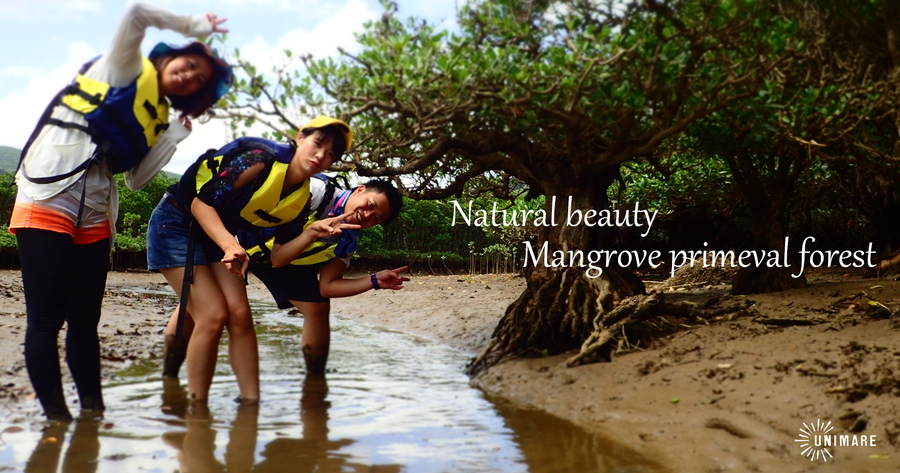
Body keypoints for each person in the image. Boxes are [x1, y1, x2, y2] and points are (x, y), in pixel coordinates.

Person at [10, 1, 232, 422]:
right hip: (49, 188)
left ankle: (92, 414)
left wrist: (174, 137)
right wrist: (195, 25)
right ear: (174, 55)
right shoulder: (124, 64)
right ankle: (57, 417)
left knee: (85, 319)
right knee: (46, 317)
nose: (188, 76)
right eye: (189, 65)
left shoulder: (160, 115)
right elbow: (135, 13)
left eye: (197, 81)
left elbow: (136, 180)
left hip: (96, 207)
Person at [146, 116, 356, 405]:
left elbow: (278, 257)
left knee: (242, 316)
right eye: (318, 143)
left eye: (332, 153)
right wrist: (231, 245)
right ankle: (197, 414)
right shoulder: (259, 159)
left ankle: (250, 405)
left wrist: (310, 234)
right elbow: (199, 201)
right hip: (177, 221)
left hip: (216, 237)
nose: (321, 155)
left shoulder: (300, 198)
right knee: (213, 314)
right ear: (300, 137)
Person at [162, 177, 408, 376]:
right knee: (197, 306)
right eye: (371, 205)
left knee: (318, 307)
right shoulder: (315, 191)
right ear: (359, 190)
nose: (367, 215)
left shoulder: (347, 240)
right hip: (241, 241)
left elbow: (328, 286)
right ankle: (169, 375)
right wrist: (311, 232)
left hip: (283, 256)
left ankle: (315, 380)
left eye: (376, 218)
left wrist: (375, 280)